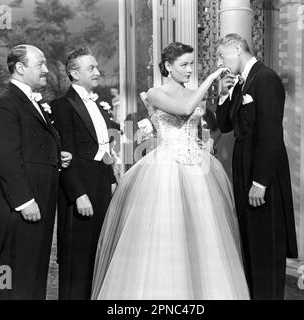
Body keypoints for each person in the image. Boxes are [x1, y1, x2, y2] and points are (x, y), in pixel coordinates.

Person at [91, 42, 249, 300]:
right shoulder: (154, 93)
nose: (189, 70)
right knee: (165, 230)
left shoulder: (194, 91)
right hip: (165, 168)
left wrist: (212, 121)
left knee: (204, 232)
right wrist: (210, 79)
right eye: (184, 65)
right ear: (167, 66)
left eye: (191, 64)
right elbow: (186, 110)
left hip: (198, 166)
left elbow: (217, 124)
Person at [216, 33, 298, 299]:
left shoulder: (265, 78)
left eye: (222, 55)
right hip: (244, 168)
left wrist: (260, 182)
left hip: (263, 173)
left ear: (238, 48)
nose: (221, 62)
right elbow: (226, 125)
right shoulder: (241, 83)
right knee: (251, 242)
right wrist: (223, 93)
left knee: (266, 244)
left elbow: (271, 133)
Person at [0, 44, 71, 300]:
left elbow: (30, 146)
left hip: (40, 199)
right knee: (16, 275)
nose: (46, 70)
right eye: (41, 64)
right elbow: (6, 158)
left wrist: (57, 156)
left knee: (35, 271)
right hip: (22, 204)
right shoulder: (5, 103)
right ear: (21, 68)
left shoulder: (31, 101)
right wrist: (25, 201)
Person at [50, 47, 117, 300]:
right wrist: (78, 194)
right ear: (74, 74)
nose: (98, 72)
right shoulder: (62, 105)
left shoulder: (99, 104)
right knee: (76, 258)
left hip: (101, 182)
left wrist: (111, 180)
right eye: (92, 68)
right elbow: (64, 154)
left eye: (97, 67)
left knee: (98, 252)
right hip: (80, 187)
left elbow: (104, 146)